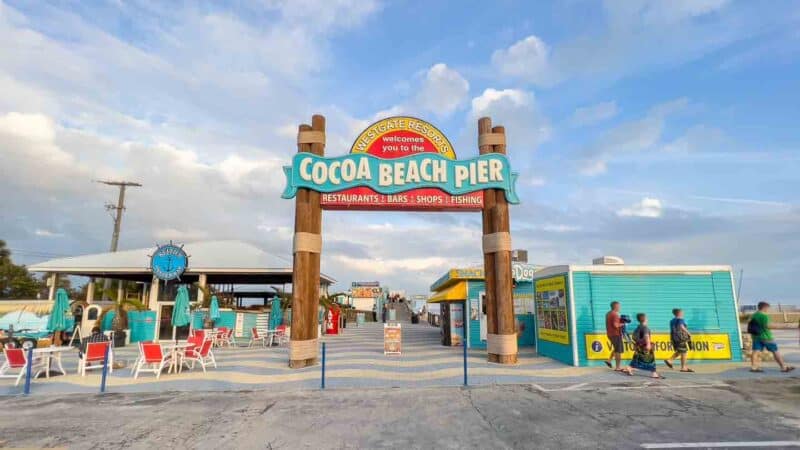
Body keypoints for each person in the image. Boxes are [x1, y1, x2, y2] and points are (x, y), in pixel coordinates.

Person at [749, 302, 795, 373]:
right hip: (766, 337)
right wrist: (782, 326)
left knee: (755, 351)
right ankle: (783, 367)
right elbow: (768, 326)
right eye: (768, 308)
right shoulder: (764, 316)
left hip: (756, 336)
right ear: (764, 308)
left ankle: (754, 367)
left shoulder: (754, 315)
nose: (768, 310)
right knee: (775, 351)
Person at [625, 313, 663, 379]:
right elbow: (646, 336)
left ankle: (629, 368)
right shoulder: (645, 327)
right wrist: (648, 344)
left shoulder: (638, 327)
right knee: (651, 360)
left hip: (639, 346)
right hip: (645, 346)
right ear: (645, 319)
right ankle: (654, 373)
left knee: (637, 358)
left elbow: (634, 337)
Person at [604, 301, 625, 371]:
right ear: (615, 306)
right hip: (615, 334)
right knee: (618, 351)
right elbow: (616, 325)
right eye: (619, 306)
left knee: (616, 348)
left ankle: (609, 360)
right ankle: (618, 367)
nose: (619, 308)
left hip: (610, 334)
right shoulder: (615, 314)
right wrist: (622, 324)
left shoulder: (608, 313)